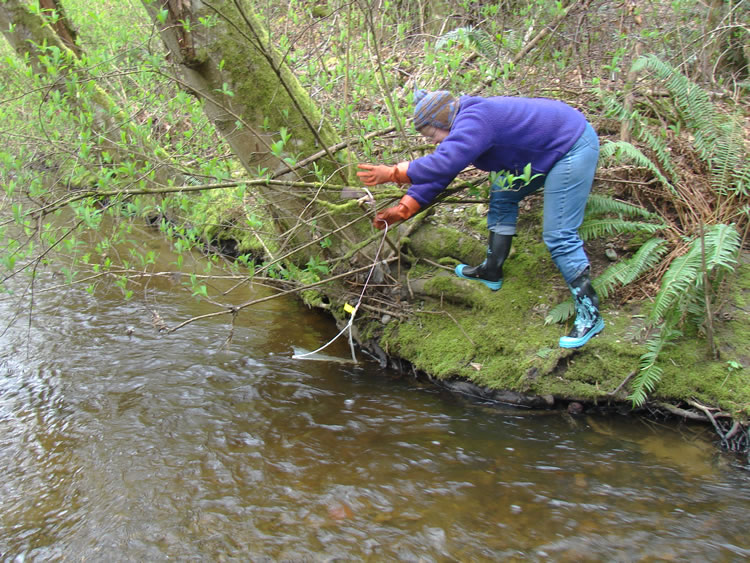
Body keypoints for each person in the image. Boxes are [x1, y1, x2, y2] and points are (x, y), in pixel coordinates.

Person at [356, 89, 604, 349]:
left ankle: (590, 314)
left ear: (443, 121)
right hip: (537, 155)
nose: (432, 142)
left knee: (559, 234)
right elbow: (443, 171)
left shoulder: (475, 119)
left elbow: (443, 162)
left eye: (432, 135)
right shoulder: (466, 124)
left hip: (571, 147)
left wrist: (394, 172)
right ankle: (491, 270)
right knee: (502, 194)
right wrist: (404, 208)